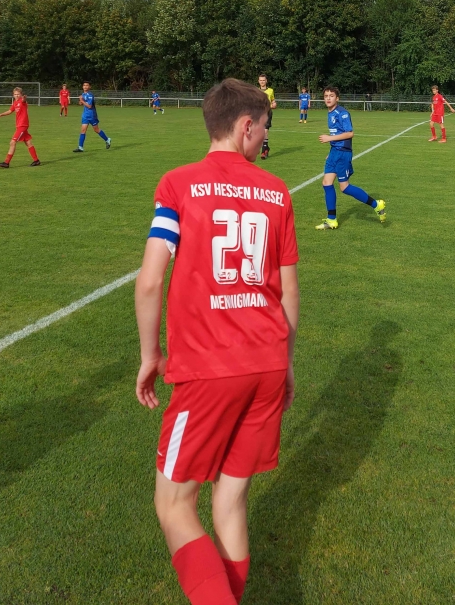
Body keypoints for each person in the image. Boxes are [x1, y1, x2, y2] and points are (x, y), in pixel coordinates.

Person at [134, 78, 300, 605]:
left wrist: (150, 355)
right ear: (246, 125)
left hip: (209, 369)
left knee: (174, 505)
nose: (265, 137)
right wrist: (286, 365)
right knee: (230, 502)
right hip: (267, 363)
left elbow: (150, 281)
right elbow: (289, 292)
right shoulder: (277, 192)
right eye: (265, 127)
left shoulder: (178, 184)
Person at [316, 85, 386, 229]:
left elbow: (349, 133)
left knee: (344, 187)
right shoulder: (330, 113)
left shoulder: (342, 113)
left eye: (331, 96)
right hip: (335, 152)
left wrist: (329, 138)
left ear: (337, 98)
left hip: (343, 153)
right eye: (326, 96)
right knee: (327, 183)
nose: (328, 98)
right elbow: (338, 134)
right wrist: (331, 150)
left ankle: (376, 204)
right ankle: (331, 219)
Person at [0, 87, 41, 168]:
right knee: (28, 143)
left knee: (12, 142)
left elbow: (24, 100)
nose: (16, 96)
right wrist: (0, 114)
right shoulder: (15, 102)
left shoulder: (22, 101)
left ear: (21, 94)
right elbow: (10, 111)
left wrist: (24, 98)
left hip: (23, 125)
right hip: (19, 125)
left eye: (18, 94)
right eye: (15, 94)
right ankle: (36, 160)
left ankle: (6, 162)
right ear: (13, 95)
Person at [73, 82, 111, 152]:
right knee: (83, 130)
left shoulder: (90, 95)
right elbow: (81, 103)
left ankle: (107, 139)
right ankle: (80, 147)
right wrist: (80, 101)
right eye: (84, 85)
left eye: (87, 85)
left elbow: (89, 106)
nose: (85, 86)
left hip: (92, 115)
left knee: (96, 130)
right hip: (85, 115)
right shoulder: (83, 94)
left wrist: (82, 101)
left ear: (89, 87)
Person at [257, 74, 276, 159]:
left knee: (265, 131)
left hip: (267, 113)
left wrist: (274, 104)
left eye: (263, 80)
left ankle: (263, 151)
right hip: (258, 114)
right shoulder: (256, 91)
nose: (262, 82)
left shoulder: (271, 90)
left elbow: (273, 100)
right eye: (260, 80)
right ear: (258, 81)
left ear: (266, 81)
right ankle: (266, 147)